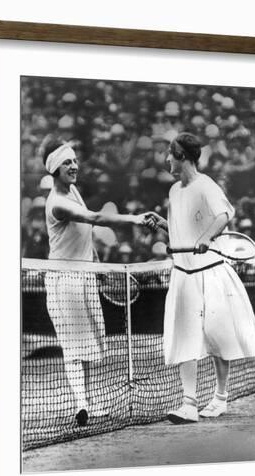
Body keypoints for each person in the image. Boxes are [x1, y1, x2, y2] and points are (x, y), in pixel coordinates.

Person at [147, 133, 255, 423]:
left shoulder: (206, 184)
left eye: (171, 154)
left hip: (210, 274)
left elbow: (225, 214)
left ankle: (220, 398)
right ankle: (189, 403)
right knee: (184, 337)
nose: (167, 159)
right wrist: (162, 224)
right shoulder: (174, 191)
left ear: (183, 156)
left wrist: (206, 237)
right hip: (183, 276)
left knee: (217, 337)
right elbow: (180, 231)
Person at [42, 139, 152, 426]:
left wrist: (96, 264)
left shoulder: (74, 190)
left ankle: (86, 404)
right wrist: (135, 219)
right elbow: (94, 217)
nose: (74, 166)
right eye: (67, 162)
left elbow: (84, 232)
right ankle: (81, 403)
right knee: (73, 346)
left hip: (85, 276)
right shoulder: (58, 203)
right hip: (63, 281)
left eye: (75, 161)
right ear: (54, 169)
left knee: (88, 345)